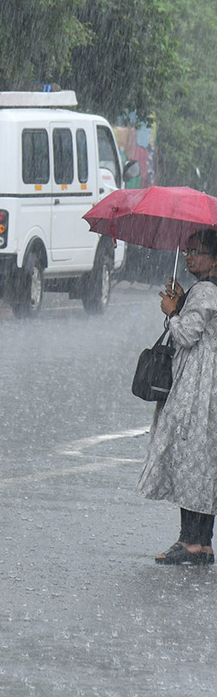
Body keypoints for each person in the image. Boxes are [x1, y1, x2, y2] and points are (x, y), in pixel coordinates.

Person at [138, 227, 217, 564]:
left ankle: (191, 542)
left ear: (214, 259)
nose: (188, 256)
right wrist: (183, 300)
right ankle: (202, 542)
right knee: (204, 462)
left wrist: (172, 311)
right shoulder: (205, 291)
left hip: (199, 386)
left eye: (196, 251)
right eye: (187, 250)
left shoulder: (206, 290)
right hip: (207, 384)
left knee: (190, 459)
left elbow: (186, 334)